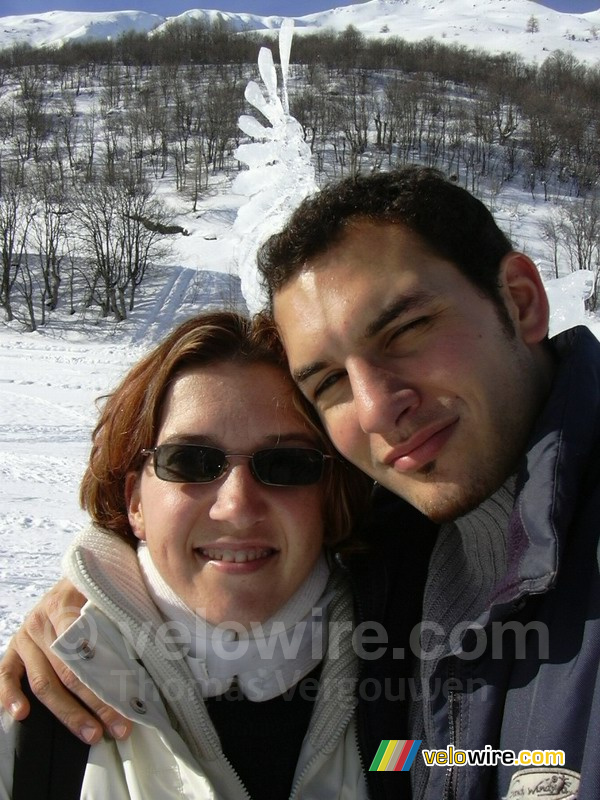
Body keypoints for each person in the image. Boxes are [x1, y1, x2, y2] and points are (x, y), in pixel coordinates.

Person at [4, 165, 599, 798]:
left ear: (522, 300)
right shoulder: (399, 608)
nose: (375, 409)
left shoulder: (367, 681)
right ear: (134, 501)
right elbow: (443, 763)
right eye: (190, 463)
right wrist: (97, 599)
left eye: (405, 330)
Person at [0, 309, 389, 799]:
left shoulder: (411, 684)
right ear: (135, 502)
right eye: (191, 461)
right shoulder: (39, 712)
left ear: (330, 495)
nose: (238, 507)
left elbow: (487, 760)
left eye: (286, 463)